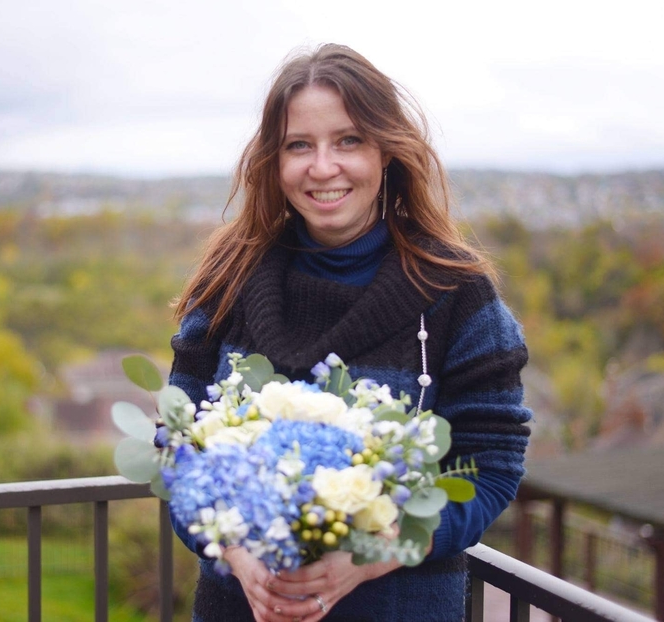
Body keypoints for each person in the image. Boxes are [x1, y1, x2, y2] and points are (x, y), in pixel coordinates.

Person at [168, 43, 531, 622]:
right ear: (274, 161)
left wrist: (371, 554)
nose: (322, 166)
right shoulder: (225, 285)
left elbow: (491, 470)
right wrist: (236, 553)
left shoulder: (456, 295)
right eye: (298, 146)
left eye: (348, 140)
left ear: (386, 151)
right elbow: (177, 454)